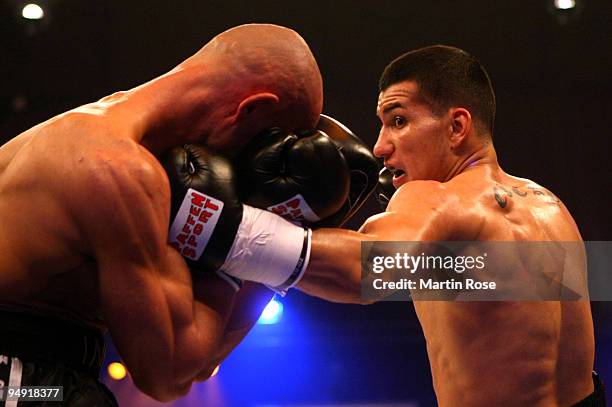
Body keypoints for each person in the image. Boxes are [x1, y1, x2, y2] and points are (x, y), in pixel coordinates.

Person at [191, 45, 603, 406]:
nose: (379, 146)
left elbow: (364, 271)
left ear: (457, 126)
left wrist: (224, 227)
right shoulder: (550, 207)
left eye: (399, 120)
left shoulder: (440, 198)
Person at [0, 23, 325, 404]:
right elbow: (166, 374)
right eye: (273, 141)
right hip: (21, 380)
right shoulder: (117, 168)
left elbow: (197, 363)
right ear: (252, 108)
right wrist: (255, 244)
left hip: (37, 375)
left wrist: (263, 256)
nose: (263, 164)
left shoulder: (94, 131)